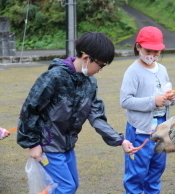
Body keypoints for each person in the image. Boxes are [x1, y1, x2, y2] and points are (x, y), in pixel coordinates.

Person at [17, 31, 136, 194]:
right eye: (101, 65)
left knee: (70, 185)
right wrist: (33, 143)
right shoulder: (54, 77)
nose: (101, 69)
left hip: (67, 146)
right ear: (87, 58)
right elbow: (30, 109)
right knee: (65, 187)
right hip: (48, 145)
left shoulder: (90, 83)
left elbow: (97, 117)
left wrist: (120, 140)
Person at [120, 26, 175, 194]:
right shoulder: (133, 71)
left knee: (156, 169)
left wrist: (171, 99)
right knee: (136, 173)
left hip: (161, 127)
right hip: (140, 129)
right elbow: (125, 100)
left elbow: (166, 95)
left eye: (156, 52)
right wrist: (153, 101)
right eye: (148, 50)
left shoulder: (162, 69)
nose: (151, 56)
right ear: (138, 47)